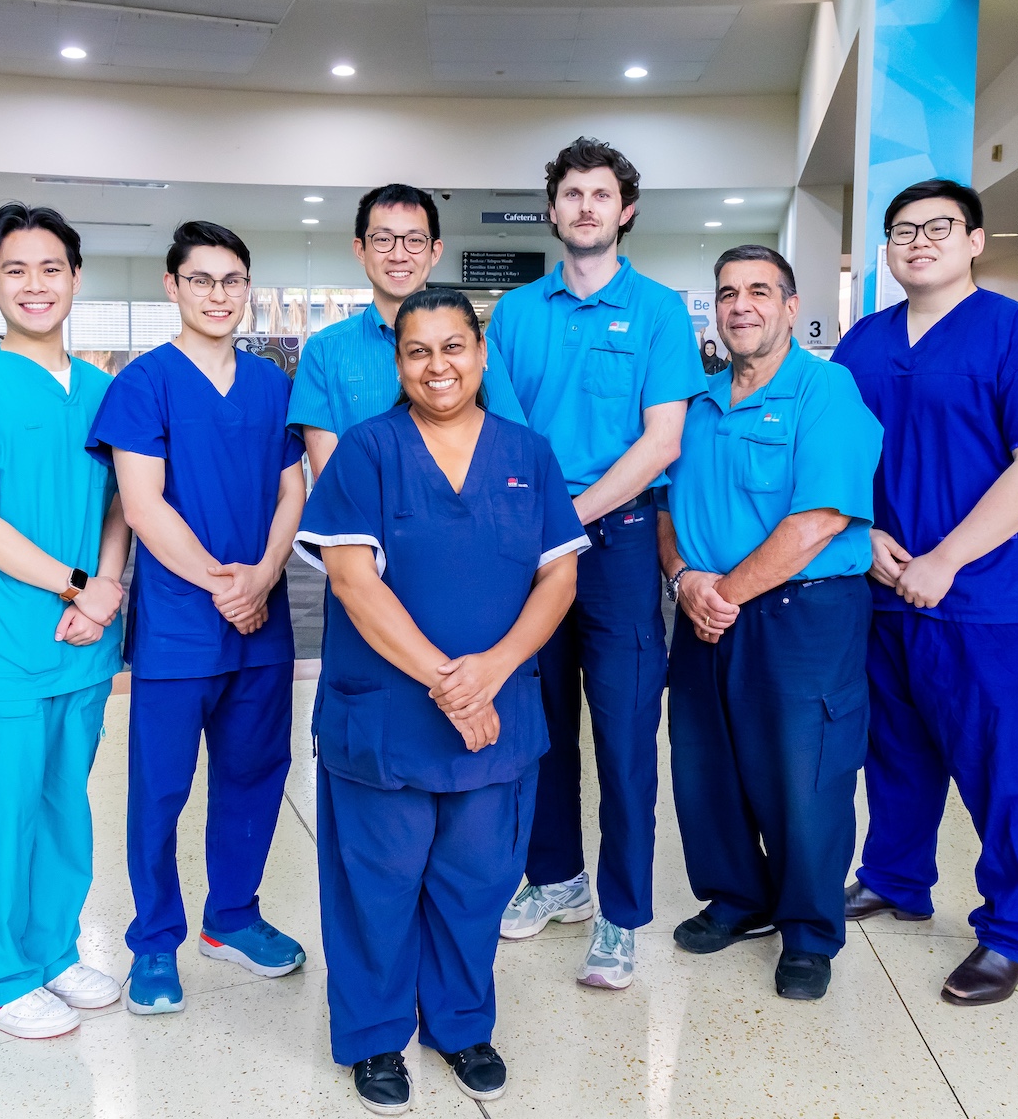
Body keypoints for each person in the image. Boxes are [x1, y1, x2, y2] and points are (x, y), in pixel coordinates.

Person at [296, 288, 586, 1114]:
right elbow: (352, 579)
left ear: (481, 354)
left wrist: (490, 671)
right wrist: (449, 685)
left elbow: (558, 575)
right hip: (388, 716)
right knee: (376, 880)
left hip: (496, 712)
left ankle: (460, 1023)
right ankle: (375, 1036)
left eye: (453, 347)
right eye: (418, 352)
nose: (438, 366)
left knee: (479, 876)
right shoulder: (367, 449)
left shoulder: (527, 452)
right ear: (398, 364)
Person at [832, 178, 1018, 1006]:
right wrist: (860, 535)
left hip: (990, 601)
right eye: (902, 230)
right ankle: (897, 878)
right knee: (895, 751)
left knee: (1009, 766)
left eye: (938, 227)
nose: (918, 242)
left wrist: (948, 557)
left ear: (976, 240)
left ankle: (1014, 934)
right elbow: (837, 457)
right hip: (884, 588)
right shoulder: (863, 342)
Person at [486, 136, 705, 988]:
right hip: (531, 548)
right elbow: (503, 436)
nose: (585, 206)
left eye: (600, 194)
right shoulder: (514, 314)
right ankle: (555, 879)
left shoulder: (655, 311)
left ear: (627, 211)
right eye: (571, 193)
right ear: (553, 210)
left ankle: (619, 914)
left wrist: (568, 517)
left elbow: (662, 441)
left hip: (611, 547)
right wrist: (541, 527)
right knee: (538, 729)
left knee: (621, 736)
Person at [88, 220, 309, 1016]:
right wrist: (227, 586)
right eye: (202, 280)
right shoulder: (144, 383)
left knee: (255, 777)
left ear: (248, 289)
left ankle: (233, 917)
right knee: (160, 789)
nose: (219, 295)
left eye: (233, 281)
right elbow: (141, 505)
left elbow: (293, 489)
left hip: (263, 622)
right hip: (183, 626)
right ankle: (154, 942)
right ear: (172, 286)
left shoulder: (273, 384)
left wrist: (268, 572)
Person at [0, 203, 130, 1039]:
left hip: (86, 640)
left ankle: (51, 952)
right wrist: (82, 586)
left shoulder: (106, 390)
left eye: (52, 268)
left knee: (63, 804)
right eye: (16, 269)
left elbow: (123, 500)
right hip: (9, 641)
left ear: (76, 279)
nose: (35, 285)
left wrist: (108, 586)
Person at [658, 246, 882, 1001]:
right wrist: (687, 580)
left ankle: (809, 930)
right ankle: (737, 898)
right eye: (727, 293)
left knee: (804, 774)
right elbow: (662, 508)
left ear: (790, 306)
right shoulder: (698, 403)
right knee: (706, 766)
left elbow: (821, 516)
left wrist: (725, 594)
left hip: (800, 613)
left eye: (760, 291)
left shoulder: (827, 390)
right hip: (703, 610)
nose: (741, 305)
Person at [289, 183, 526, 478]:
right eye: (383, 239)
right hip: (365, 522)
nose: (399, 255)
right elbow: (334, 482)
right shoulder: (324, 351)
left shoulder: (473, 348)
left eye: (414, 240)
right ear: (360, 250)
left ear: (434, 251)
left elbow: (512, 449)